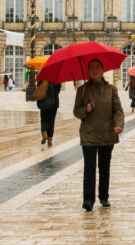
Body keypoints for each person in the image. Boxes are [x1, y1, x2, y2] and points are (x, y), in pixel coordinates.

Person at [73, 59, 125, 211]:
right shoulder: (82, 90)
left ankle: (104, 196)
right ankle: (88, 200)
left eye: (97, 67)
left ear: (103, 70)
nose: (95, 70)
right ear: (88, 71)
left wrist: (119, 124)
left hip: (107, 133)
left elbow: (118, 110)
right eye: (92, 68)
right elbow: (77, 111)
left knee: (104, 167)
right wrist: (86, 110)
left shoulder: (111, 90)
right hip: (89, 134)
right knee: (89, 168)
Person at [37, 78, 61, 146]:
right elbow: (58, 90)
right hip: (54, 102)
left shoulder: (43, 77)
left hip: (44, 101)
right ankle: (50, 140)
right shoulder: (56, 77)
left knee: (44, 118)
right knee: (51, 120)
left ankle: (44, 132)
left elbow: (38, 87)